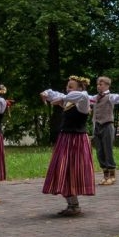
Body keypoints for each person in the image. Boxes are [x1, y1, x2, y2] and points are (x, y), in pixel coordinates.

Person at [41, 76, 96, 216]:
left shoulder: (83, 102)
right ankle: (72, 204)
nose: (68, 89)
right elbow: (53, 94)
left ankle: (74, 205)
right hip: (65, 139)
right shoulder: (69, 102)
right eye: (67, 86)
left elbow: (82, 96)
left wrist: (64, 98)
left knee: (72, 171)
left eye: (71, 87)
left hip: (76, 140)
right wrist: (46, 94)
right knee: (62, 171)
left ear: (80, 88)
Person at [92, 76, 119, 186]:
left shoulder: (111, 97)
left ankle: (112, 175)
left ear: (107, 85)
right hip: (97, 126)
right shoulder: (95, 98)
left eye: (101, 84)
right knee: (99, 151)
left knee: (107, 149)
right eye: (98, 84)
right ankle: (105, 175)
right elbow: (83, 99)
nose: (98, 86)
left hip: (107, 125)